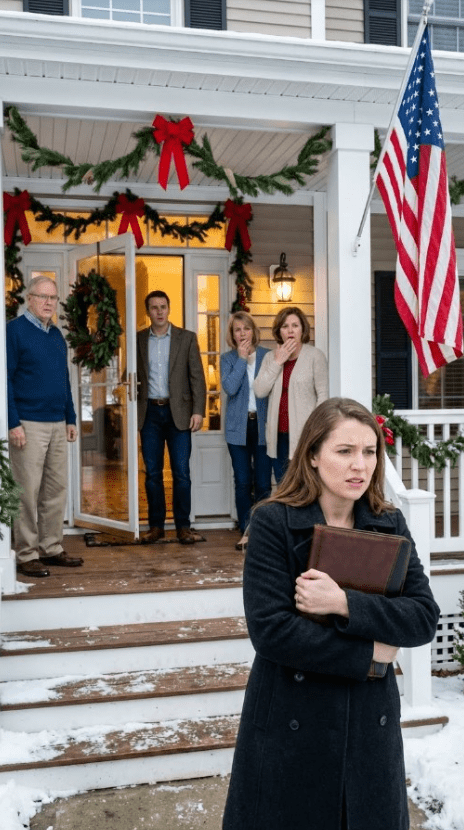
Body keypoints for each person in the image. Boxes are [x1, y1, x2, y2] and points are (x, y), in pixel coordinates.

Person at [222, 397, 440, 830]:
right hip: (292, 723)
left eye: (370, 451)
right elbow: (272, 631)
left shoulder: (389, 523)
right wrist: (371, 656)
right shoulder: (273, 523)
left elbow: (422, 617)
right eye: (345, 451)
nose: (361, 465)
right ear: (313, 456)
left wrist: (343, 603)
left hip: (368, 729)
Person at [7, 276, 82, 578]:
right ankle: (26, 554)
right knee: (27, 491)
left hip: (56, 423)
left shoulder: (56, 335)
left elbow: (64, 380)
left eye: (53, 298)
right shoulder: (14, 331)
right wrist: (13, 422)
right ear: (30, 299)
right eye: (43, 297)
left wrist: (71, 417)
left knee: (55, 489)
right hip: (28, 424)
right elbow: (4, 381)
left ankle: (51, 547)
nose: (49, 303)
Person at [137, 290, 206, 545]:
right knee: (153, 473)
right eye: (154, 307)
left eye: (163, 306)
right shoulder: (138, 339)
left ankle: (183, 527)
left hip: (180, 414)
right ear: (148, 311)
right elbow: (131, 375)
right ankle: (156, 527)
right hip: (150, 414)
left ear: (169, 308)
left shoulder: (186, 338)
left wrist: (198, 410)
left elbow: (197, 377)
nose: (159, 311)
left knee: (181, 473)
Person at [253, 305, 328, 483]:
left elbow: (323, 396)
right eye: (285, 326)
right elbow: (259, 390)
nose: (290, 330)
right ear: (279, 331)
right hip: (277, 435)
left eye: (295, 325)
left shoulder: (315, 356)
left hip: (304, 435)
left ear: (303, 329)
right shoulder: (270, 358)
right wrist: (278, 362)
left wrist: (315, 431)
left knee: (305, 484)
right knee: (283, 484)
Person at [220, 312, 272, 551]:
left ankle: (262, 532)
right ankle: (246, 530)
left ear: (254, 331)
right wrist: (241, 359)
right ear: (232, 335)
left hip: (262, 426)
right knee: (242, 481)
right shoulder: (228, 359)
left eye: (246, 328)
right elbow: (230, 388)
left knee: (262, 483)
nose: (242, 334)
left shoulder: (267, 356)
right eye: (237, 330)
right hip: (238, 428)